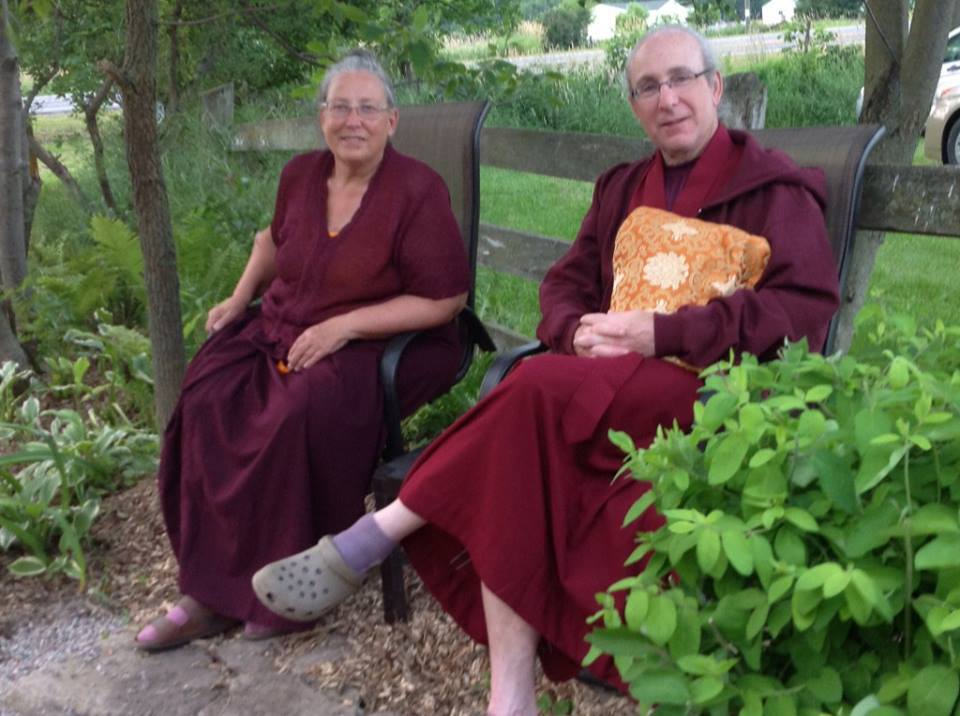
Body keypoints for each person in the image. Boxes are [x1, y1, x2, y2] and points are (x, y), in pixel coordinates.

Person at [252, 26, 841, 715]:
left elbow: (804, 308)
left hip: (711, 391)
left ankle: (379, 533)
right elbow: (564, 285)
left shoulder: (772, 190)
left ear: (715, 86)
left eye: (682, 79)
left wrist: (663, 332)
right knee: (519, 459)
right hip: (603, 388)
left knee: (527, 387)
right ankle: (510, 696)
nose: (668, 99)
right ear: (633, 106)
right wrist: (576, 332)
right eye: (648, 87)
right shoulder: (624, 188)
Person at [134, 49, 472, 651]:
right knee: (210, 392)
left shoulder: (418, 190)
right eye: (340, 107)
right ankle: (209, 591)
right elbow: (270, 241)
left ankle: (287, 591)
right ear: (322, 118)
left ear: (391, 120)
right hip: (287, 325)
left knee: (294, 411)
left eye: (367, 108)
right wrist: (240, 298)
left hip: (388, 340)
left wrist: (346, 327)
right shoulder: (300, 175)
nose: (353, 121)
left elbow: (445, 300)